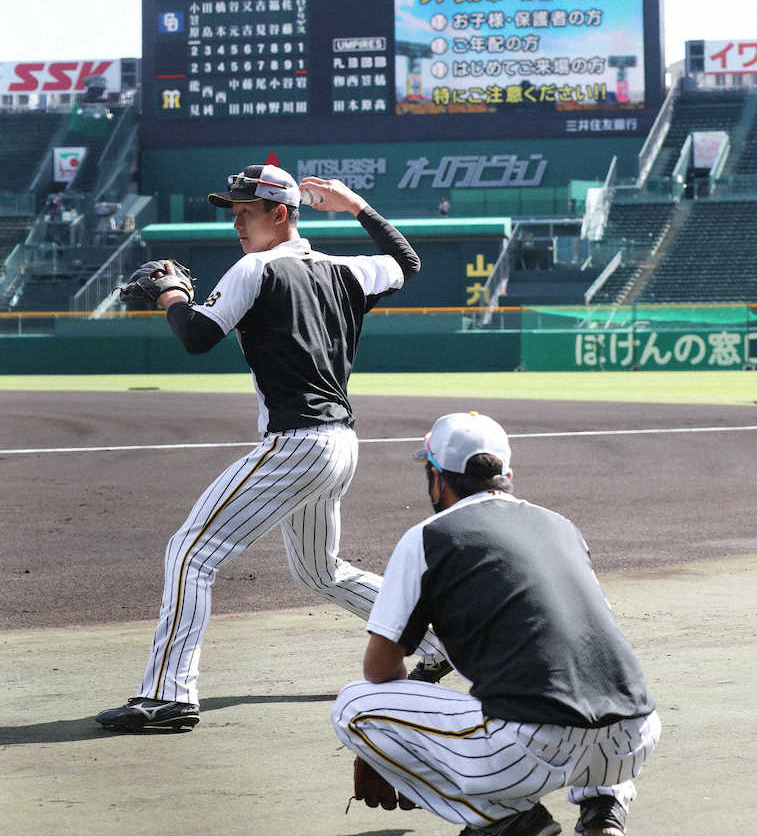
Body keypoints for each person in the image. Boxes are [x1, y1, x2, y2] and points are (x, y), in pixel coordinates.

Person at [96, 164, 448, 732]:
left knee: (190, 552)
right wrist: (355, 205)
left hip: (297, 443)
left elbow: (196, 336)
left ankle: (168, 695)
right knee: (320, 572)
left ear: (279, 213)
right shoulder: (346, 270)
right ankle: (436, 643)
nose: (236, 223)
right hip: (339, 443)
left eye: (245, 211)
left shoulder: (253, 269)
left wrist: (172, 296)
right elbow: (408, 263)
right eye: (233, 212)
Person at [332, 411, 661, 836]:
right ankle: (604, 810)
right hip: (633, 736)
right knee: (588, 678)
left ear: (437, 478)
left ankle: (511, 821)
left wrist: (396, 749)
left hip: (529, 749)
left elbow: (379, 671)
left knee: (354, 705)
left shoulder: (429, 536)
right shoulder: (562, 527)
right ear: (508, 474)